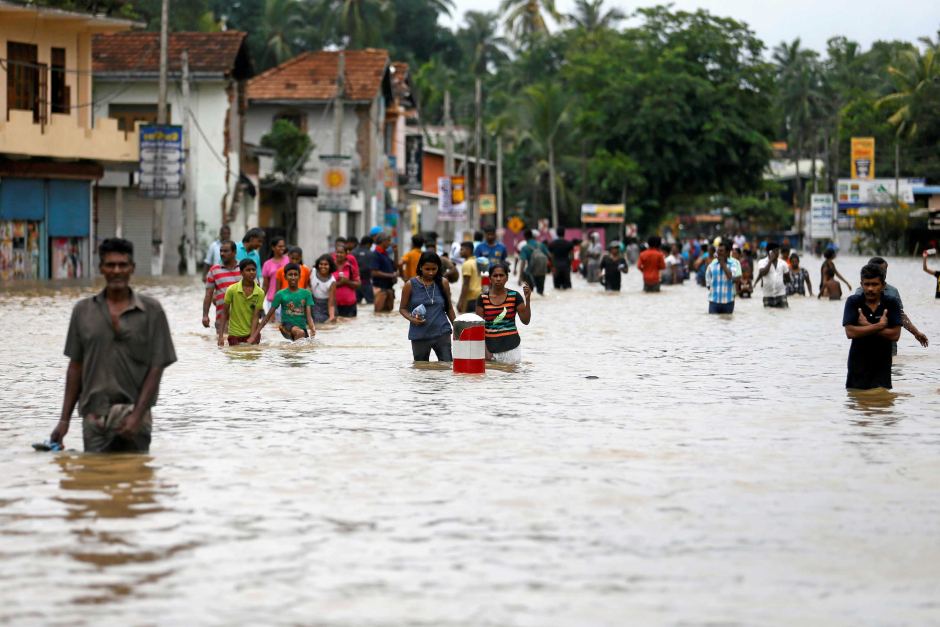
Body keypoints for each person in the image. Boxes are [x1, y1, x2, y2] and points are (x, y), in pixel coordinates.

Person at [50, 238, 177, 453]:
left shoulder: (152, 311)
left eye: (122, 265)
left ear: (132, 268)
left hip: (134, 415)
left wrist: (137, 416)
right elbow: (75, 367)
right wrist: (64, 421)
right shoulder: (82, 311)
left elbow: (157, 367)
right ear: (101, 268)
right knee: (96, 478)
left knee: (135, 479)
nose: (116, 271)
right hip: (94, 418)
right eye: (110, 265)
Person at [843, 263, 902, 390]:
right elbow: (850, 333)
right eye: (867, 284)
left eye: (875, 284)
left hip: (882, 367)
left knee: (882, 404)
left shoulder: (891, 303)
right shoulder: (853, 302)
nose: (870, 288)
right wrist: (879, 326)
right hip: (857, 368)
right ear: (861, 284)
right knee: (857, 404)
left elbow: (895, 335)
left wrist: (867, 326)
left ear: (883, 286)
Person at [855, 256, 929, 350]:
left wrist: (916, 333)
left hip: (889, 345)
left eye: (885, 270)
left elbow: (901, 316)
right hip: (865, 345)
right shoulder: (860, 293)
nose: (884, 274)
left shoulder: (893, 292)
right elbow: (856, 320)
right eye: (881, 271)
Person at [399, 251, 457, 361]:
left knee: (447, 367)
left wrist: (457, 328)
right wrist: (412, 319)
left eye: (434, 269)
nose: (431, 273)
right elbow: (402, 309)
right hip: (419, 335)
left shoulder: (443, 282)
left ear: (438, 268)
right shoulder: (410, 285)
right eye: (427, 269)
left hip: (442, 333)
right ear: (420, 267)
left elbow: (449, 308)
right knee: (421, 369)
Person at [475, 262, 532, 364]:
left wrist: (527, 300)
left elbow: (526, 321)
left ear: (507, 278)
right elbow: (477, 327)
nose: (498, 278)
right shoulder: (482, 298)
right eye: (495, 276)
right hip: (490, 350)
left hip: (512, 348)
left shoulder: (515, 296)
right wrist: (485, 351)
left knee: (511, 379)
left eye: (501, 275)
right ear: (490, 278)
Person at [252, 263, 316, 342]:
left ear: (299, 276)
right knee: (300, 334)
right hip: (285, 326)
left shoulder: (306, 294)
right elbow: (268, 316)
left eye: (295, 274)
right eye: (290, 275)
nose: (293, 277)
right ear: (285, 277)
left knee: (304, 346)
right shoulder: (280, 294)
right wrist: (255, 334)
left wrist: (312, 328)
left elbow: (308, 315)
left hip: (302, 328)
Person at [218, 259, 266, 346]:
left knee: (253, 357)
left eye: (253, 270)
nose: (251, 272)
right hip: (234, 334)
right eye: (248, 270)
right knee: (235, 357)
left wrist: (252, 337)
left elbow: (256, 317)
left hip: (252, 334)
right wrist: (220, 336)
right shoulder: (232, 289)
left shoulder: (260, 292)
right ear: (241, 272)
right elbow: (224, 313)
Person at [202, 239, 241, 332]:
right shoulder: (214, 270)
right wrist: (205, 315)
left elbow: (256, 290)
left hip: (243, 319)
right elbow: (208, 294)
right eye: (221, 251)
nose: (222, 254)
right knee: (223, 344)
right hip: (222, 320)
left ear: (234, 252)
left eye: (226, 251)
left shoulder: (244, 268)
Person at [705, 240, 742, 314]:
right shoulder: (712, 265)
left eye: (721, 251)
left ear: (728, 253)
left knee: (728, 324)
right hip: (714, 302)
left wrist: (722, 264)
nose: (718, 253)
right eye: (718, 251)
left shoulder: (733, 264)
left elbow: (731, 277)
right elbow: (708, 283)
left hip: (728, 302)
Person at [752, 242, 790, 308]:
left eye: (778, 250)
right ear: (769, 252)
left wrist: (781, 284)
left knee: (784, 314)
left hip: (781, 295)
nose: (778, 253)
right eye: (776, 251)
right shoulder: (762, 262)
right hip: (767, 296)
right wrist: (770, 261)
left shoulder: (783, 263)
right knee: (768, 315)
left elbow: (788, 279)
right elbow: (763, 273)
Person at [370, 232, 398, 312]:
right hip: (380, 290)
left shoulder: (385, 254)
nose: (390, 243)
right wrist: (391, 275)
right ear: (383, 241)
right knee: (379, 313)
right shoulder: (376, 254)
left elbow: (395, 267)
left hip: (388, 289)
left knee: (387, 313)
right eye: (389, 241)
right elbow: (374, 272)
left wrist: (396, 252)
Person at [519, 230, 551, 295]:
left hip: (530, 272)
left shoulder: (525, 248)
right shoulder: (541, 245)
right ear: (533, 236)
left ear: (525, 237)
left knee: (530, 295)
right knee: (540, 293)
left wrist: (520, 277)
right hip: (542, 271)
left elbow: (523, 262)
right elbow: (549, 256)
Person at [261, 236, 289, 311]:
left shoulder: (289, 260)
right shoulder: (267, 264)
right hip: (273, 300)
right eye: (279, 246)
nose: (282, 248)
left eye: (283, 246)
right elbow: (265, 285)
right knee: (273, 322)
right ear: (273, 248)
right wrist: (260, 301)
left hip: (288, 299)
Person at [333, 245, 361, 318]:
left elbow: (358, 284)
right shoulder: (331, 267)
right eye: (337, 252)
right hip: (334, 304)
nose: (339, 255)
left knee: (349, 326)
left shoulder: (351, 267)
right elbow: (325, 285)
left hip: (350, 305)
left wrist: (347, 282)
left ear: (346, 254)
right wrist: (340, 283)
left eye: (341, 252)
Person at [310, 254, 337, 323]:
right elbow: (307, 284)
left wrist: (331, 316)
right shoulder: (313, 271)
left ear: (330, 266)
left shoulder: (332, 281)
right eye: (321, 264)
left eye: (326, 264)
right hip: (313, 302)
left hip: (325, 305)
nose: (323, 266)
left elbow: (331, 302)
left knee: (323, 323)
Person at [457, 241, 483, 313]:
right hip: (480, 296)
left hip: (471, 298)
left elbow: (466, 284)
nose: (460, 252)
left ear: (468, 250)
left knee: (469, 322)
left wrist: (461, 301)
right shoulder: (477, 262)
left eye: (462, 249)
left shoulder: (467, 264)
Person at [352, 236, 376, 304]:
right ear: (368, 244)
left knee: (355, 303)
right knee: (371, 303)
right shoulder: (371, 254)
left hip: (355, 284)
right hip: (367, 283)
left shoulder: (353, 252)